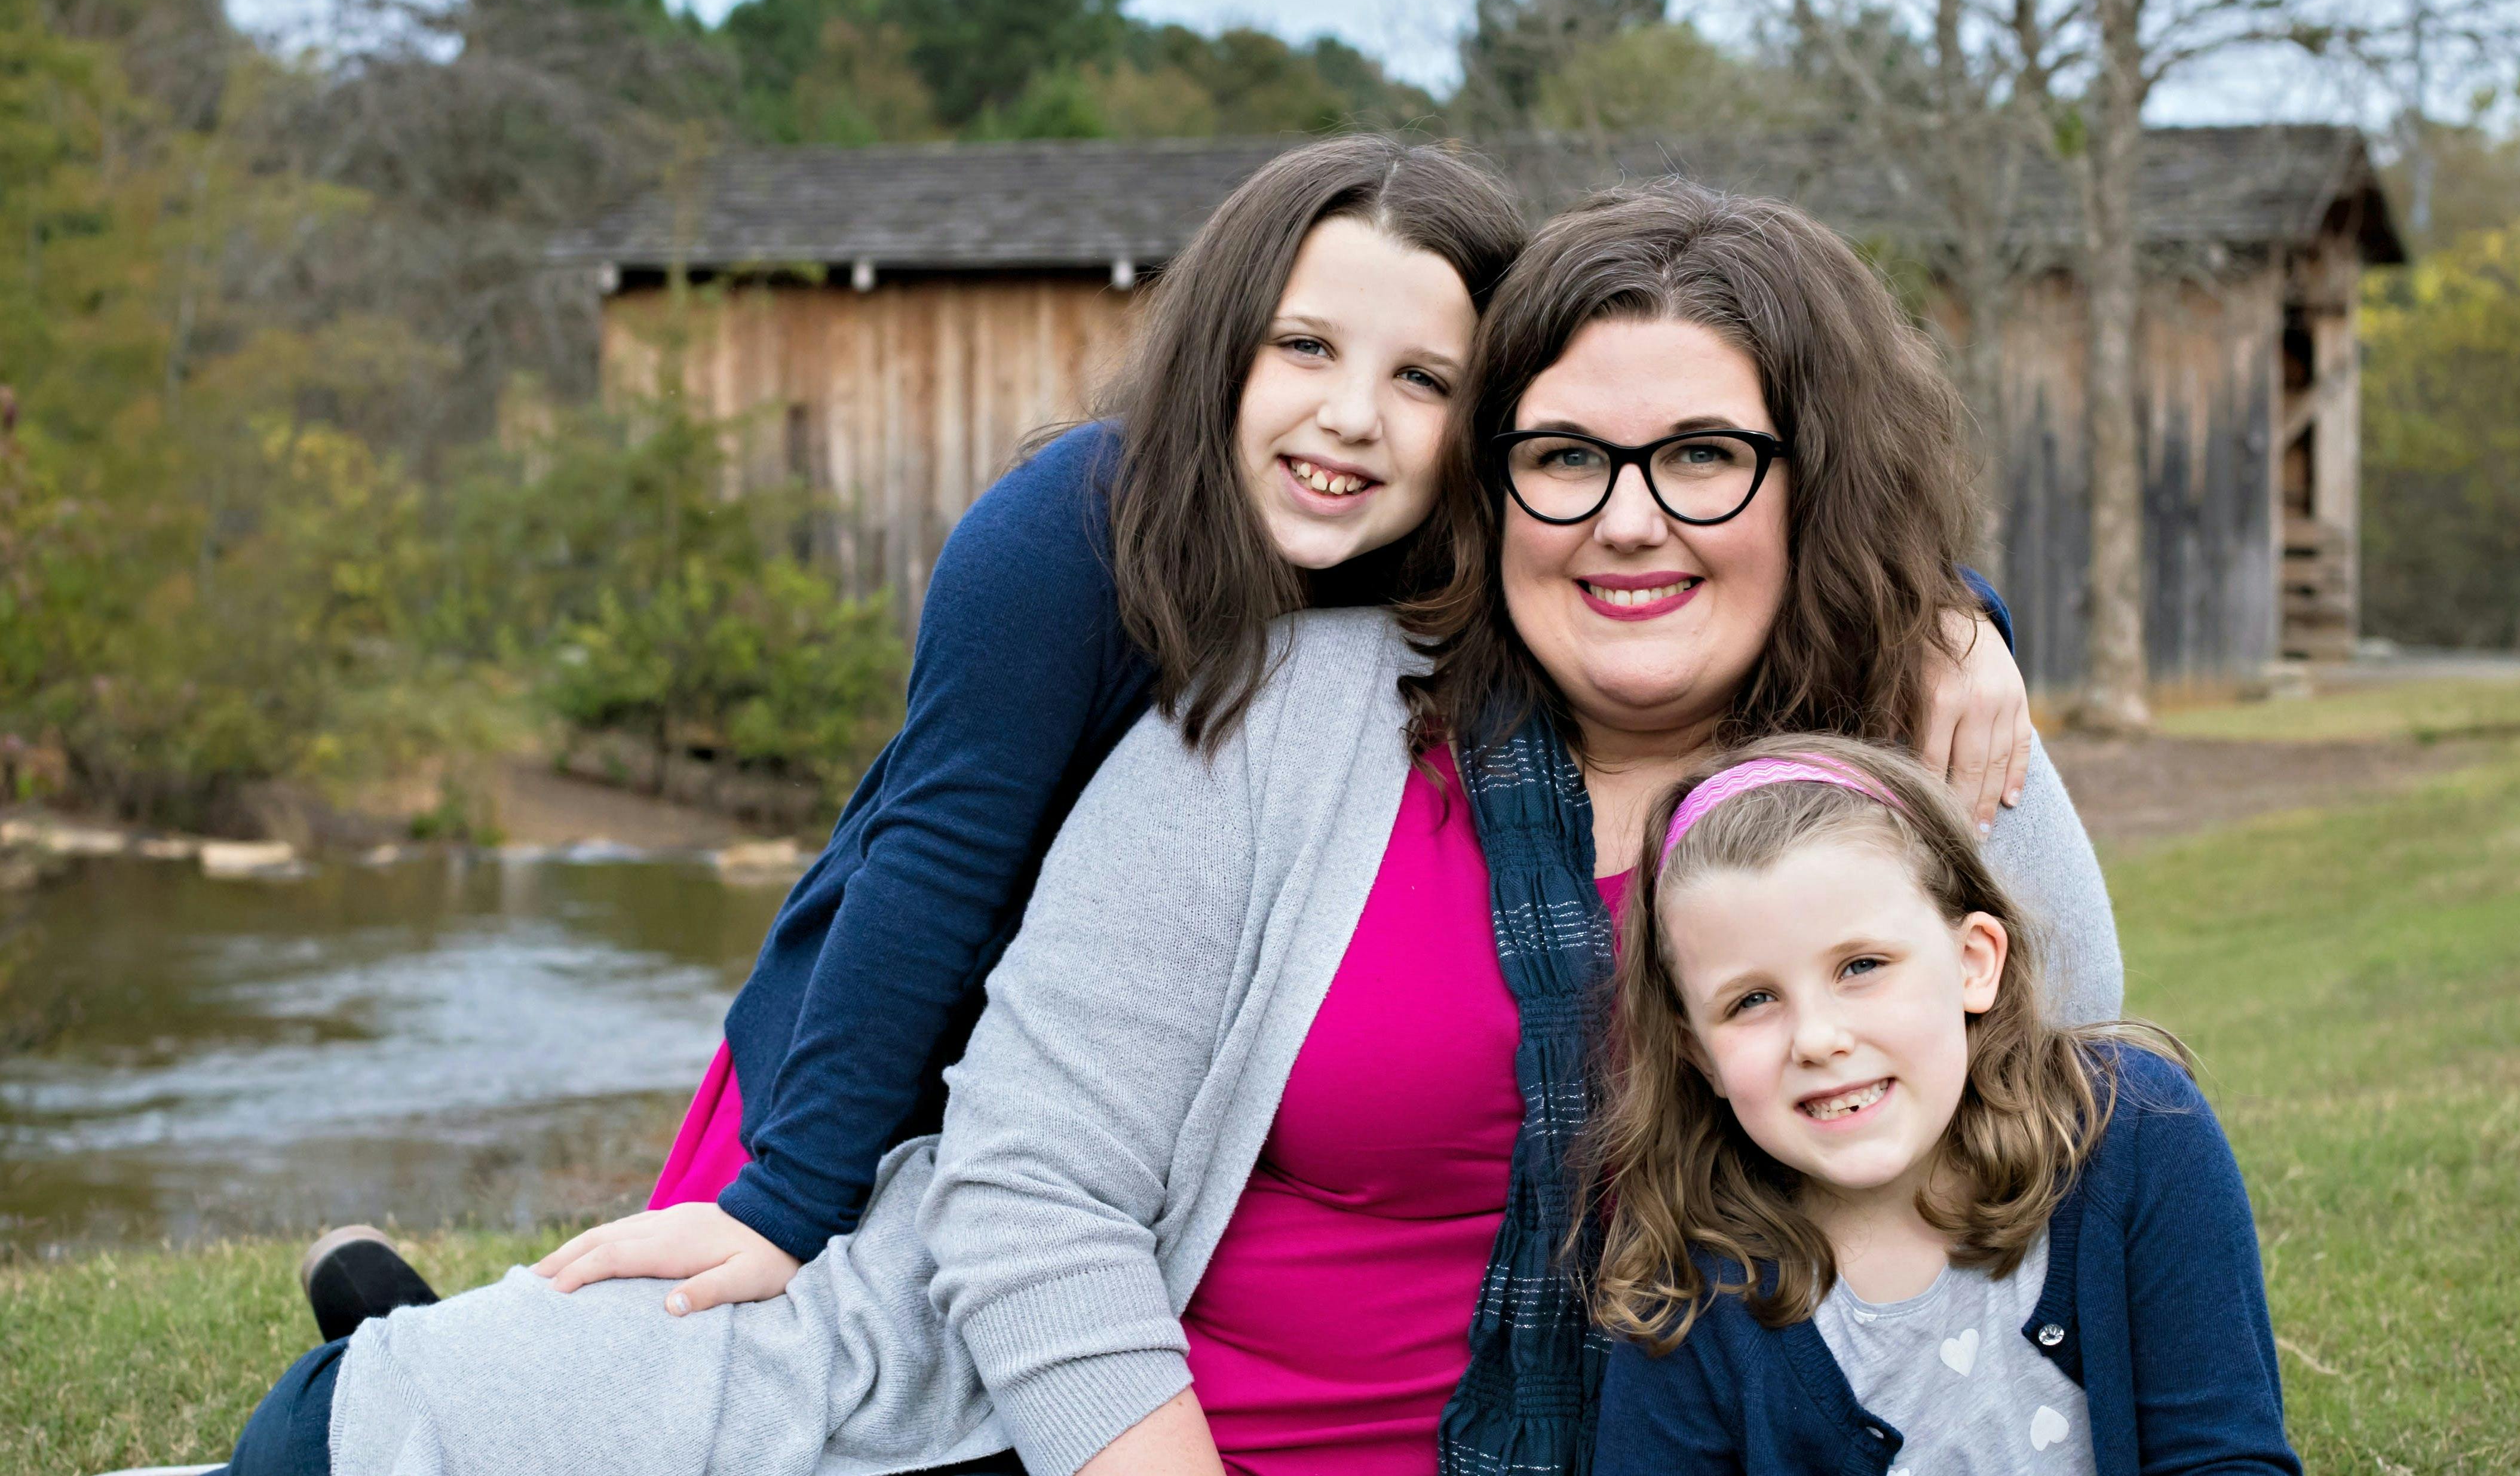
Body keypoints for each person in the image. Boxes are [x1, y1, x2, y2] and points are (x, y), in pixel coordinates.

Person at [214, 179, 2112, 1476]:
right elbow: (1006, 1105)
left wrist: (1950, 613)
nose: (1630, 516)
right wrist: (782, 1203)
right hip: (1093, 1415)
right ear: (1498, 486)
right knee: (480, 1402)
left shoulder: (1933, 779)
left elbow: (2067, 1188)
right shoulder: (1266, 690)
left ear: (1815, 477)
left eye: (1703, 457)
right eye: (1565, 456)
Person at [1587, 737, 2297, 1476]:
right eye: (1753, 1000)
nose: (1820, 1038)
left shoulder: (2136, 1132)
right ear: (1699, 1052)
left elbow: (2223, 1457)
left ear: (1973, 963)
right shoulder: (1690, 1283)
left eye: (1861, 966)